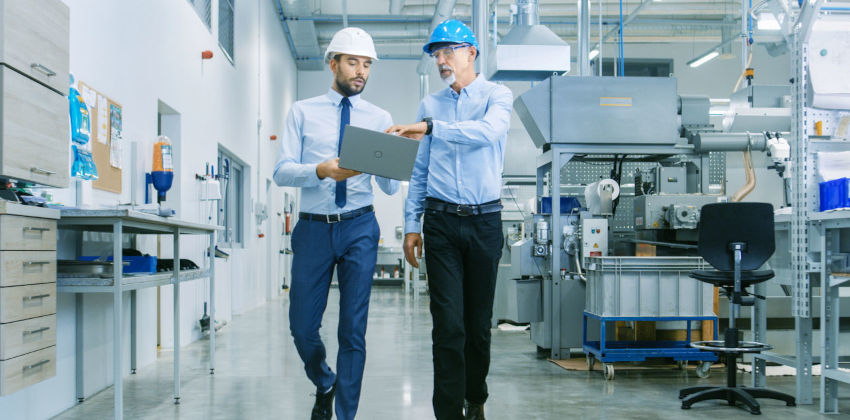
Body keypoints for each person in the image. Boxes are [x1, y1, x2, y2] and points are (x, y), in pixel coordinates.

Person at [386, 19, 513, 420]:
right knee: (447, 325)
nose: (441, 61)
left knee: (477, 327)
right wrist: (411, 224)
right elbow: (420, 170)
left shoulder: (497, 95)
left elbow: (487, 133)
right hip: (440, 224)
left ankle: (475, 397)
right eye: (436, 54)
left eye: (448, 52)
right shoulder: (430, 105)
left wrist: (432, 128)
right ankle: (447, 414)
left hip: (485, 222)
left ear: (471, 53)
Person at [273, 27, 399, 420]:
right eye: (352, 63)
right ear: (333, 64)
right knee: (302, 328)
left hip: (360, 226)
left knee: (352, 330)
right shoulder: (302, 111)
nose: (360, 71)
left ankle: (345, 415)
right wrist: (320, 170)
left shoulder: (380, 118)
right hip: (313, 228)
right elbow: (281, 172)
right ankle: (324, 380)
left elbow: (390, 188)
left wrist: (392, 156)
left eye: (366, 65)